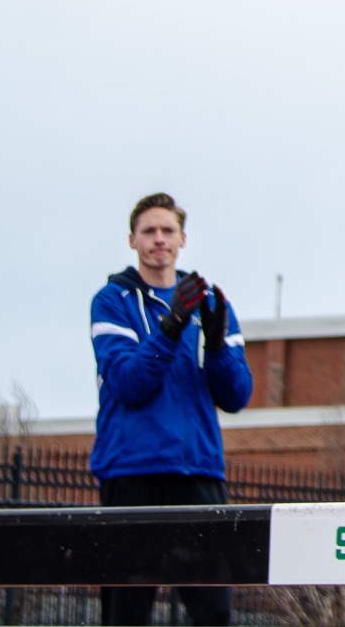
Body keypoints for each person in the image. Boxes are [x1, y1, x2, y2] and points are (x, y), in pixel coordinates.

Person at [89, 192, 252, 626]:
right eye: (149, 231)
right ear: (132, 240)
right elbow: (128, 385)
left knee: (213, 613)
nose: (158, 239)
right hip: (130, 473)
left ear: (183, 239)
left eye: (167, 230)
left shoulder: (213, 304)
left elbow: (237, 396)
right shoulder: (111, 301)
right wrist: (171, 328)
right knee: (126, 614)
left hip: (197, 472)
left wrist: (215, 345)